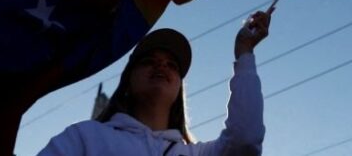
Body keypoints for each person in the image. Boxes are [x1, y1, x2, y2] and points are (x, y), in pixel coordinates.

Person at [38, 11, 270, 156]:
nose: (161, 66)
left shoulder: (196, 153)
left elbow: (246, 140)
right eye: (149, 61)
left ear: (179, 87)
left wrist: (245, 52)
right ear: (128, 81)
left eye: (172, 65)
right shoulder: (85, 137)